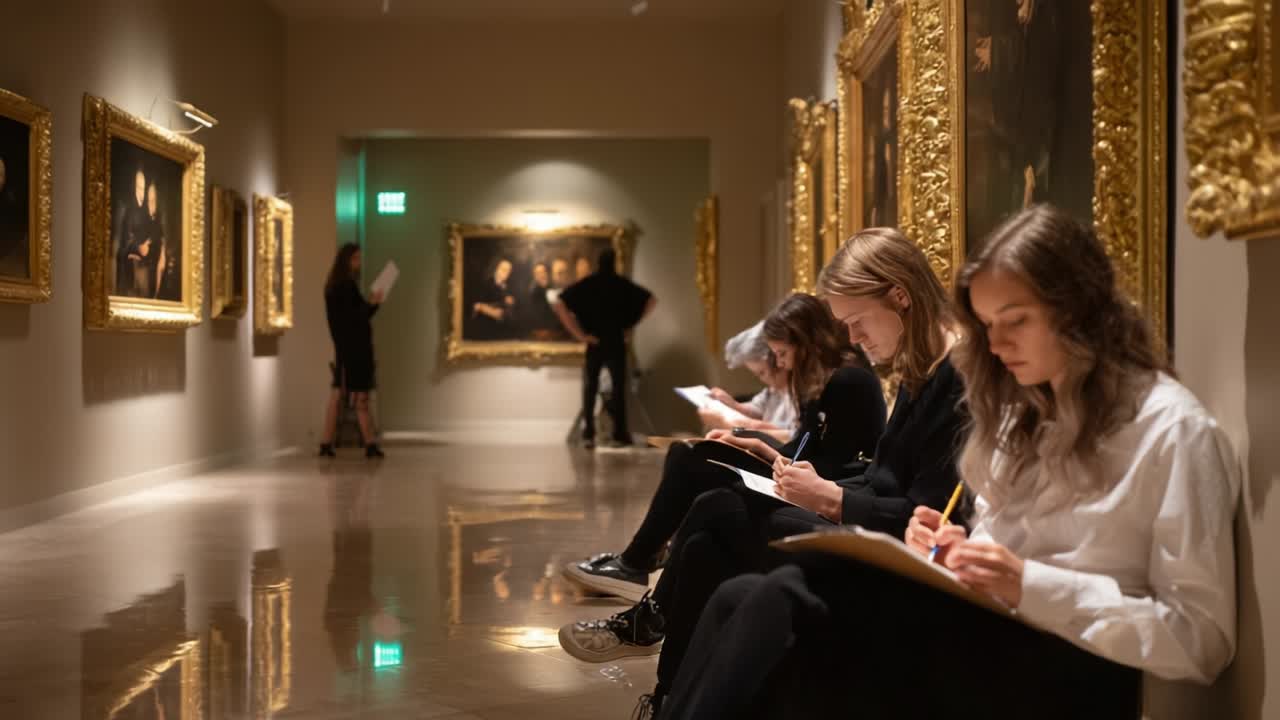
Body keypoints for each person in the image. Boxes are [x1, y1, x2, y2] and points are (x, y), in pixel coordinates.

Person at [659, 205, 1240, 720]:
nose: (994, 344)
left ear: (1081, 309)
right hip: (985, 632)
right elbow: (992, 541)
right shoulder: (1027, 410)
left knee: (786, 607)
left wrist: (1028, 583)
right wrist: (945, 544)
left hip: (1064, 669)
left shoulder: (1173, 431)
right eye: (987, 326)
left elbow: (1203, 642)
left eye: (1015, 322)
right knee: (752, 598)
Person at [560, 229, 966, 718]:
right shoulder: (919, 374)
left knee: (717, 504)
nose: (853, 338)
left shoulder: (954, 380)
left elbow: (925, 516)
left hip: (891, 553)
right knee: (707, 543)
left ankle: (649, 625)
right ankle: (666, 699)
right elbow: (880, 477)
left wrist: (830, 499)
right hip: (862, 522)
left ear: (900, 295)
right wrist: (810, 483)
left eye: (856, 322)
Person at [558, 291, 883, 605]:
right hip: (804, 475)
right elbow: (805, 449)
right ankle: (640, 561)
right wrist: (754, 444)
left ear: (805, 341)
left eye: (783, 354)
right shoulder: (827, 377)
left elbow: (828, 468)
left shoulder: (848, 381)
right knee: (688, 450)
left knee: (692, 457)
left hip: (821, 489)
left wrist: (760, 450)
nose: (781, 365)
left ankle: (636, 563)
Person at [553, 247, 655, 449]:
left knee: (590, 388)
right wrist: (631, 326)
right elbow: (650, 301)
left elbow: (560, 304)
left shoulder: (588, 284)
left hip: (595, 342)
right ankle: (620, 432)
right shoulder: (621, 285)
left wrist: (580, 335)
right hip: (615, 341)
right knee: (619, 389)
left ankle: (588, 432)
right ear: (614, 262)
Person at [320, 243, 385, 459]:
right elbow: (355, 318)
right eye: (355, 258)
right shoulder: (344, 286)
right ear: (346, 260)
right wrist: (372, 304)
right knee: (354, 396)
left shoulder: (336, 286)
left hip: (346, 348)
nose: (358, 263)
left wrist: (372, 305)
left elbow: (354, 315)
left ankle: (332, 442)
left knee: (342, 394)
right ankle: (366, 444)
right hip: (353, 349)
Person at [697, 321, 796, 441]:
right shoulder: (772, 391)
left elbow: (790, 437)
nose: (761, 379)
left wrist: (727, 422)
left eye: (762, 373)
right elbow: (756, 409)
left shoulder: (799, 394)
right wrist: (733, 404)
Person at [114, 168, 151, 297]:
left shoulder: (145, 210)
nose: (142, 192)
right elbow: (124, 242)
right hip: (129, 269)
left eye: (143, 188)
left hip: (141, 267)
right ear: (134, 187)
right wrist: (139, 248)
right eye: (139, 187)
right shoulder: (127, 208)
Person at [469, 257, 516, 340]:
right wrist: (491, 312)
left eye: (509, 270)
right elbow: (475, 305)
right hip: (485, 328)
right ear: (496, 268)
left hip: (503, 330)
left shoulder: (510, 286)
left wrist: (511, 303)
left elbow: (513, 308)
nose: (506, 273)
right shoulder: (485, 283)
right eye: (503, 269)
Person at [524, 261, 563, 340]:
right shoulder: (532, 293)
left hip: (557, 331)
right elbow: (534, 316)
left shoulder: (554, 288)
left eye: (543, 271)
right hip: (540, 332)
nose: (541, 275)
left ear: (547, 273)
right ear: (535, 276)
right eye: (538, 273)